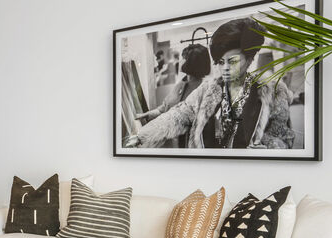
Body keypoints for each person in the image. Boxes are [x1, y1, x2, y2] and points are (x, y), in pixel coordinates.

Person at [126, 18, 295, 150]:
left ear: (250, 59)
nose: (225, 68)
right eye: (221, 62)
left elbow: (282, 137)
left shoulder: (273, 93)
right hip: (207, 170)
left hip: (247, 175)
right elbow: (179, 114)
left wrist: (268, 150)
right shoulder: (208, 90)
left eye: (233, 61)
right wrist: (143, 136)